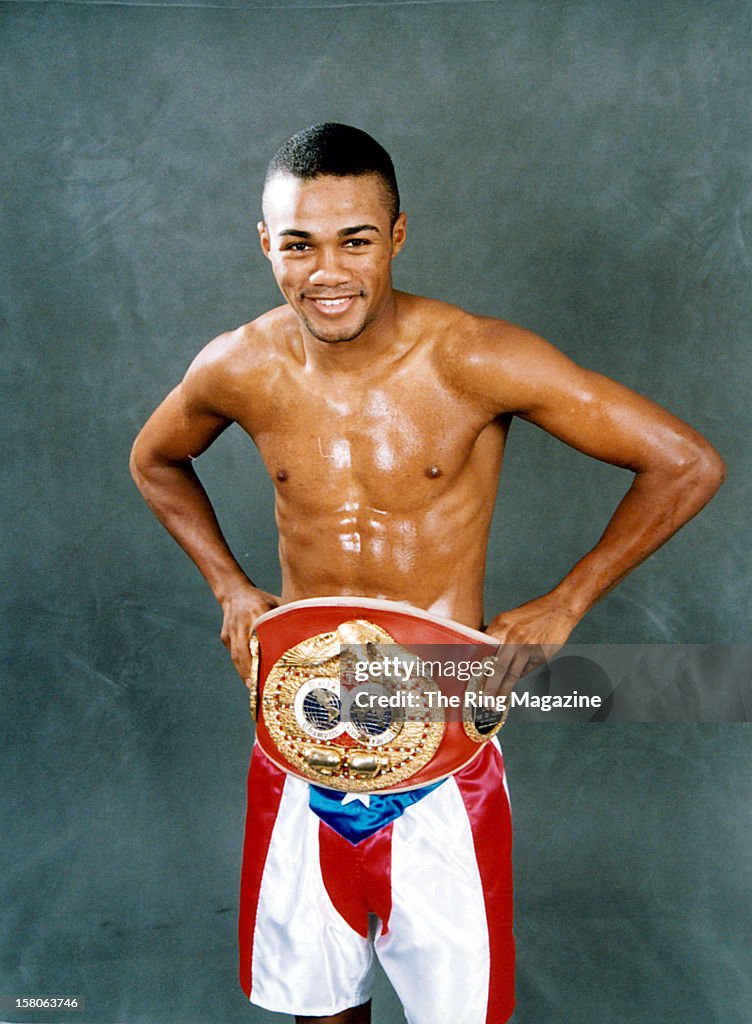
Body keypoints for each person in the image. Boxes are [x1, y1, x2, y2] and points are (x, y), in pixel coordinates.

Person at [130, 123, 725, 1024]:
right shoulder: (239, 366)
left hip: (442, 737)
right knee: (320, 1007)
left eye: (354, 240)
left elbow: (686, 462)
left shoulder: (474, 359)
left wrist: (567, 605)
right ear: (266, 245)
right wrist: (229, 584)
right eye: (298, 244)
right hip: (299, 735)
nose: (326, 272)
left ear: (397, 236)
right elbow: (154, 459)